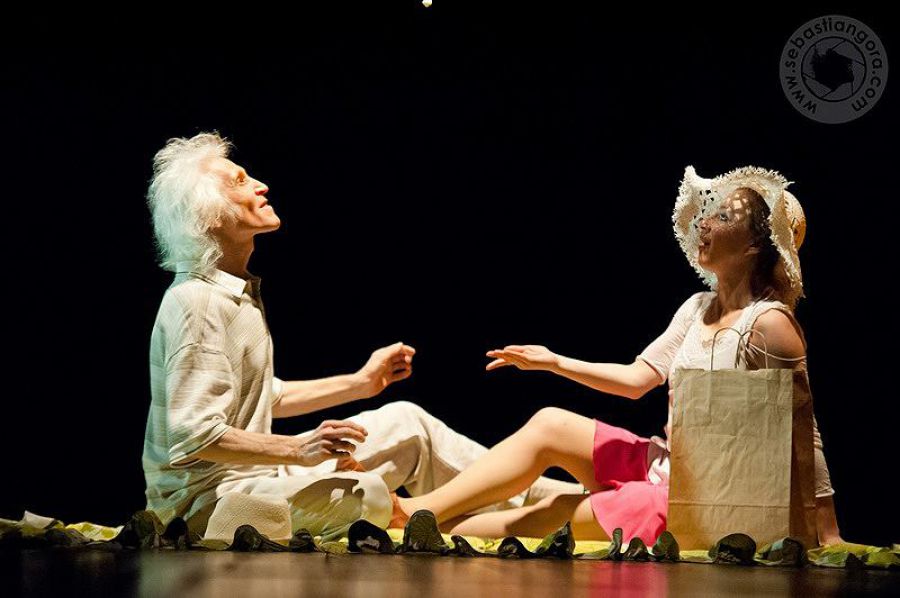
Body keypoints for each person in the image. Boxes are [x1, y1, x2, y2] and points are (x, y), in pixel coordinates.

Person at [141, 131, 582, 542]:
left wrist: (361, 383)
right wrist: (298, 449)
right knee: (364, 493)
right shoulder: (198, 303)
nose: (261, 185)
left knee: (409, 424)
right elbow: (194, 437)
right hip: (205, 501)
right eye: (240, 181)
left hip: (260, 476)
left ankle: (553, 497)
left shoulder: (233, 293)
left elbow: (262, 398)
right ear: (209, 214)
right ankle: (542, 514)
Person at [394, 165, 844, 546]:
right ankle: (415, 513)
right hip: (667, 465)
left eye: (723, 216)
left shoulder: (768, 325)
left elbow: (803, 432)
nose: (705, 223)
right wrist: (555, 362)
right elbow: (636, 379)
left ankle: (423, 528)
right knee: (551, 423)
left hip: (710, 496)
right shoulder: (697, 307)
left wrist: (827, 531)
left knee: (565, 509)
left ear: (753, 246)